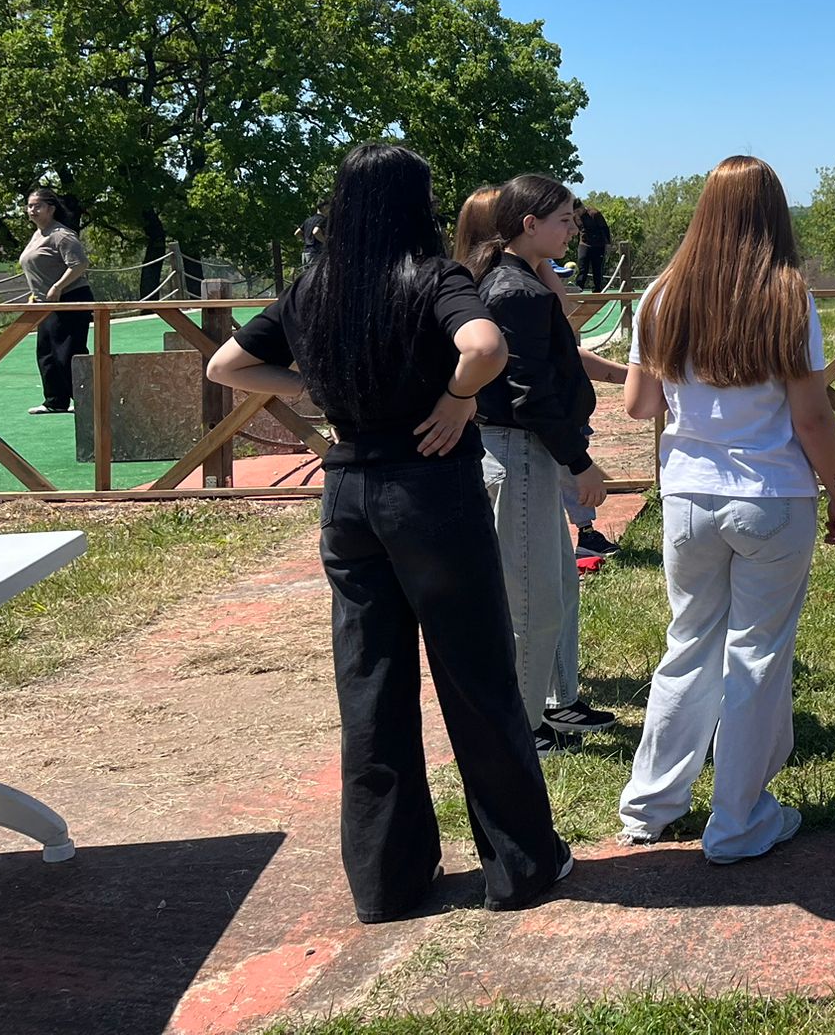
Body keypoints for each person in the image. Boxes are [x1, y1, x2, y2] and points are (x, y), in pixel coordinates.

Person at [205, 143, 570, 922]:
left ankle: (387, 883)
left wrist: (317, 387)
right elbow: (484, 347)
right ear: (415, 203)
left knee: (370, 685)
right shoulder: (435, 276)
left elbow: (226, 366)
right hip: (430, 490)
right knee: (476, 679)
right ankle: (520, 866)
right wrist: (457, 398)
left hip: (348, 494)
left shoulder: (313, 285)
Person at [616, 156, 835, 861]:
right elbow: (811, 416)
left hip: (688, 496)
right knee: (757, 657)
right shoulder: (787, 295)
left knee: (688, 644)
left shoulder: (661, 294)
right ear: (772, 213)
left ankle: (649, 806)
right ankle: (738, 820)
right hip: (772, 497)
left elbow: (638, 405)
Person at [465, 176, 617, 753]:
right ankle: (524, 730)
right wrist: (580, 463)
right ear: (530, 225)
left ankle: (549, 708)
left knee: (553, 590)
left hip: (525, 453)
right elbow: (529, 393)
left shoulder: (518, 281)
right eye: (564, 220)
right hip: (520, 453)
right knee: (532, 602)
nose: (574, 230)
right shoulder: (516, 292)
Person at [19, 188, 94, 416]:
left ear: (51, 209)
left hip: (70, 299)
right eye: (29, 206)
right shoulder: (38, 235)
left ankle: (86, 400)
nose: (32, 210)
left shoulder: (61, 234)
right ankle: (55, 401)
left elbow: (79, 264)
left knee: (68, 353)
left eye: (37, 206)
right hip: (46, 303)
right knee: (47, 354)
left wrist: (57, 287)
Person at [298, 202, 329, 271]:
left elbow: (297, 233)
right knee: (317, 275)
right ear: (324, 207)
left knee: (306, 276)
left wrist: (306, 240)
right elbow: (316, 232)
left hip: (306, 252)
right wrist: (326, 242)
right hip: (316, 252)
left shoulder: (308, 220)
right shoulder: (323, 220)